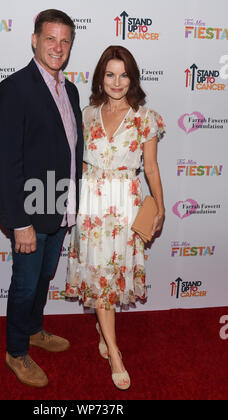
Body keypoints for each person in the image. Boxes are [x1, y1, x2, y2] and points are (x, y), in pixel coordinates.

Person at [0, 9, 84, 388]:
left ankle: (32, 329)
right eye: (50, 39)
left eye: (64, 41)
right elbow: (7, 162)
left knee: (44, 277)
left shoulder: (71, 88)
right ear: (34, 40)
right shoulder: (14, 89)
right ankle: (16, 351)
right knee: (26, 284)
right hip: (29, 212)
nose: (57, 47)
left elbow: (69, 151)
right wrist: (20, 222)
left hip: (59, 207)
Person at [66, 46, 165, 390]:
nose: (117, 82)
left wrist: (160, 207)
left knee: (111, 276)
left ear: (132, 78)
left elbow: (150, 167)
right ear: (100, 78)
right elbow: (78, 164)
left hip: (124, 204)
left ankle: (103, 330)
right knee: (99, 278)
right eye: (110, 74)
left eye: (123, 74)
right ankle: (114, 350)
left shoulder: (145, 117)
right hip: (92, 206)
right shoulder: (87, 114)